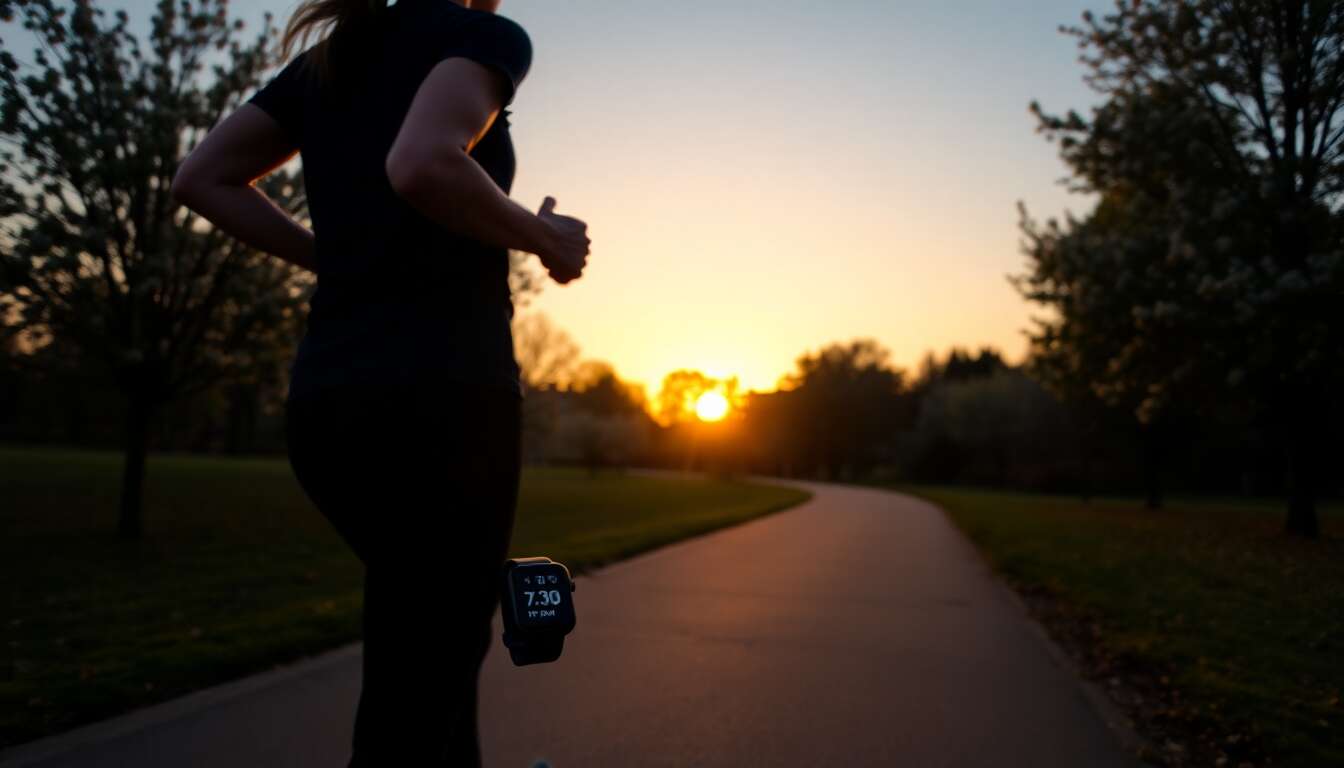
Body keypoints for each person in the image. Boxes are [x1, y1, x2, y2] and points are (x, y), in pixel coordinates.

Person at [171, 0, 590, 763]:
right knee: (425, 674)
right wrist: (544, 238)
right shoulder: (484, 38)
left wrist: (335, 262)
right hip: (445, 407)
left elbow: (202, 178)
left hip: (328, 409)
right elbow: (422, 161)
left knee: (423, 648)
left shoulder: (331, 58)